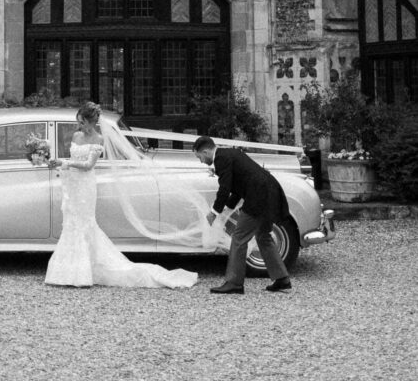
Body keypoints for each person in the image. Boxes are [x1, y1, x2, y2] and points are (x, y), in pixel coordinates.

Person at [45, 102, 199, 289]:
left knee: (84, 223)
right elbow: (73, 160)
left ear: (90, 122)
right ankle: (68, 270)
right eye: (78, 123)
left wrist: (66, 163)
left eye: (81, 122)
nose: (79, 127)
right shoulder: (76, 136)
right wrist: (59, 164)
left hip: (85, 186)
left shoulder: (99, 139)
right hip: (72, 184)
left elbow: (88, 165)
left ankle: (83, 272)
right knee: (70, 223)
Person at [193, 135, 292, 295]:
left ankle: (234, 282)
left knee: (239, 237)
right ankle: (282, 278)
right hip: (270, 191)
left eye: (199, 157)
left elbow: (225, 188)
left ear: (205, 151)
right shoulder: (229, 154)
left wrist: (214, 212)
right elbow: (237, 187)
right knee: (263, 236)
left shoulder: (221, 159)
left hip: (258, 196)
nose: (201, 161)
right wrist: (226, 208)